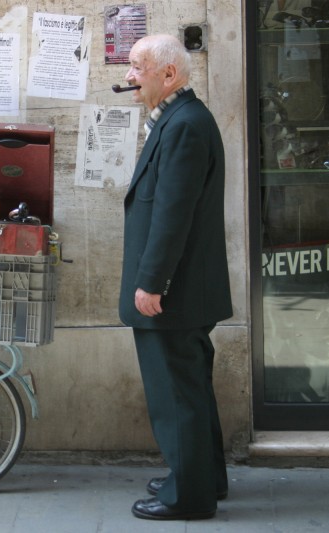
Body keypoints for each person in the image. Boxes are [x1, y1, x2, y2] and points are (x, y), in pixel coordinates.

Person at [117, 34, 233, 521]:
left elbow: (173, 214)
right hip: (183, 291)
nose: (128, 76)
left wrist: (152, 283)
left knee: (176, 395)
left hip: (172, 294)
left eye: (138, 66)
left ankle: (188, 496)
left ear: (169, 75)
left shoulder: (184, 125)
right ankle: (205, 479)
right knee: (191, 388)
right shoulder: (181, 119)